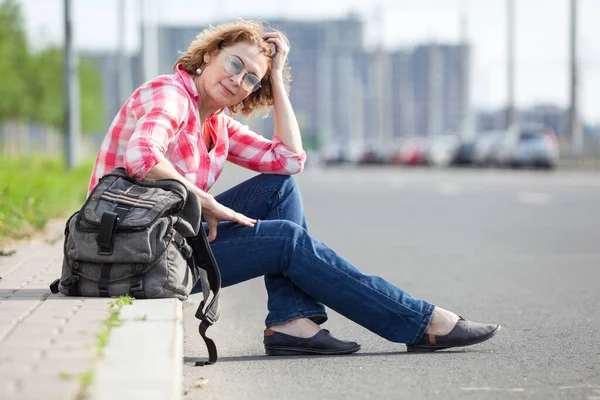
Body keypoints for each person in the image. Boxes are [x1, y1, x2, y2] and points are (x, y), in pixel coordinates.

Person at [89, 20, 500, 356]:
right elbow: (142, 158)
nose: (239, 81)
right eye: (235, 65)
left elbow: (289, 160)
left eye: (252, 79)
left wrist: (277, 80)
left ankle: (293, 321)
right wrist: (206, 201)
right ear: (210, 54)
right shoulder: (171, 94)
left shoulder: (215, 122)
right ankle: (419, 321)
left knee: (278, 189)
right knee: (285, 238)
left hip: (167, 243)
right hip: (134, 255)